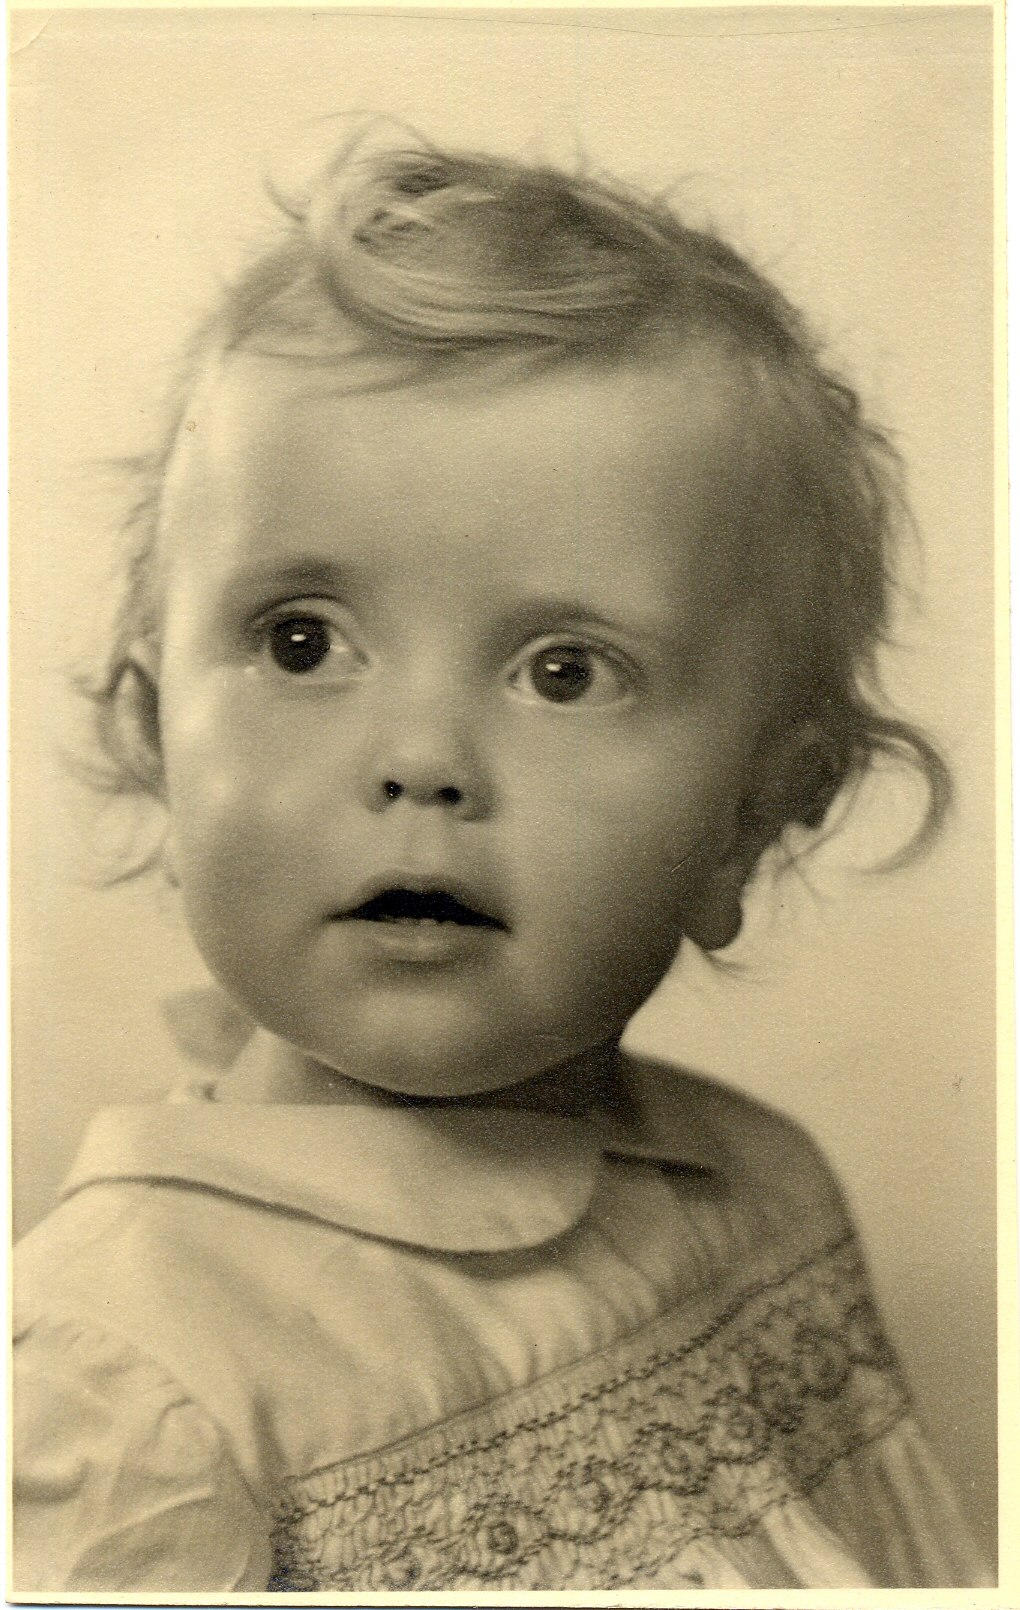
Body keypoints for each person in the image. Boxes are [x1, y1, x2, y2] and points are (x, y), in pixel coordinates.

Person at [12, 133, 993, 1592]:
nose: (422, 759)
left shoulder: (759, 1192)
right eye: (302, 642)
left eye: (564, 671)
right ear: (157, 739)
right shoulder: (121, 1381)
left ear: (754, 813)